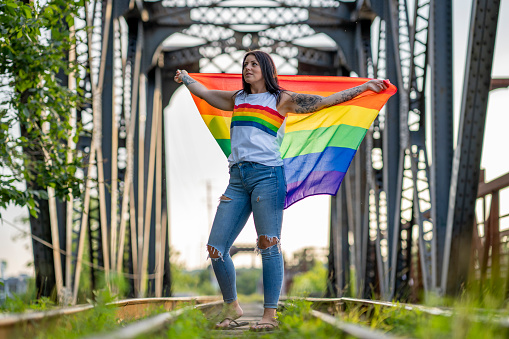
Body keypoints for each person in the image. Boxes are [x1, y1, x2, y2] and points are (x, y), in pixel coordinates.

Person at [174, 50, 388, 331]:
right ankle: (232, 306)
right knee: (216, 247)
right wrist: (187, 78)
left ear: (266, 69)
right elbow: (204, 93)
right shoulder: (237, 99)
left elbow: (323, 102)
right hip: (237, 178)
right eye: (245, 64)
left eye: (253, 64)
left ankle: (269, 315)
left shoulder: (281, 100)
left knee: (268, 244)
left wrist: (363, 87)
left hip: (268, 177)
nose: (248, 68)